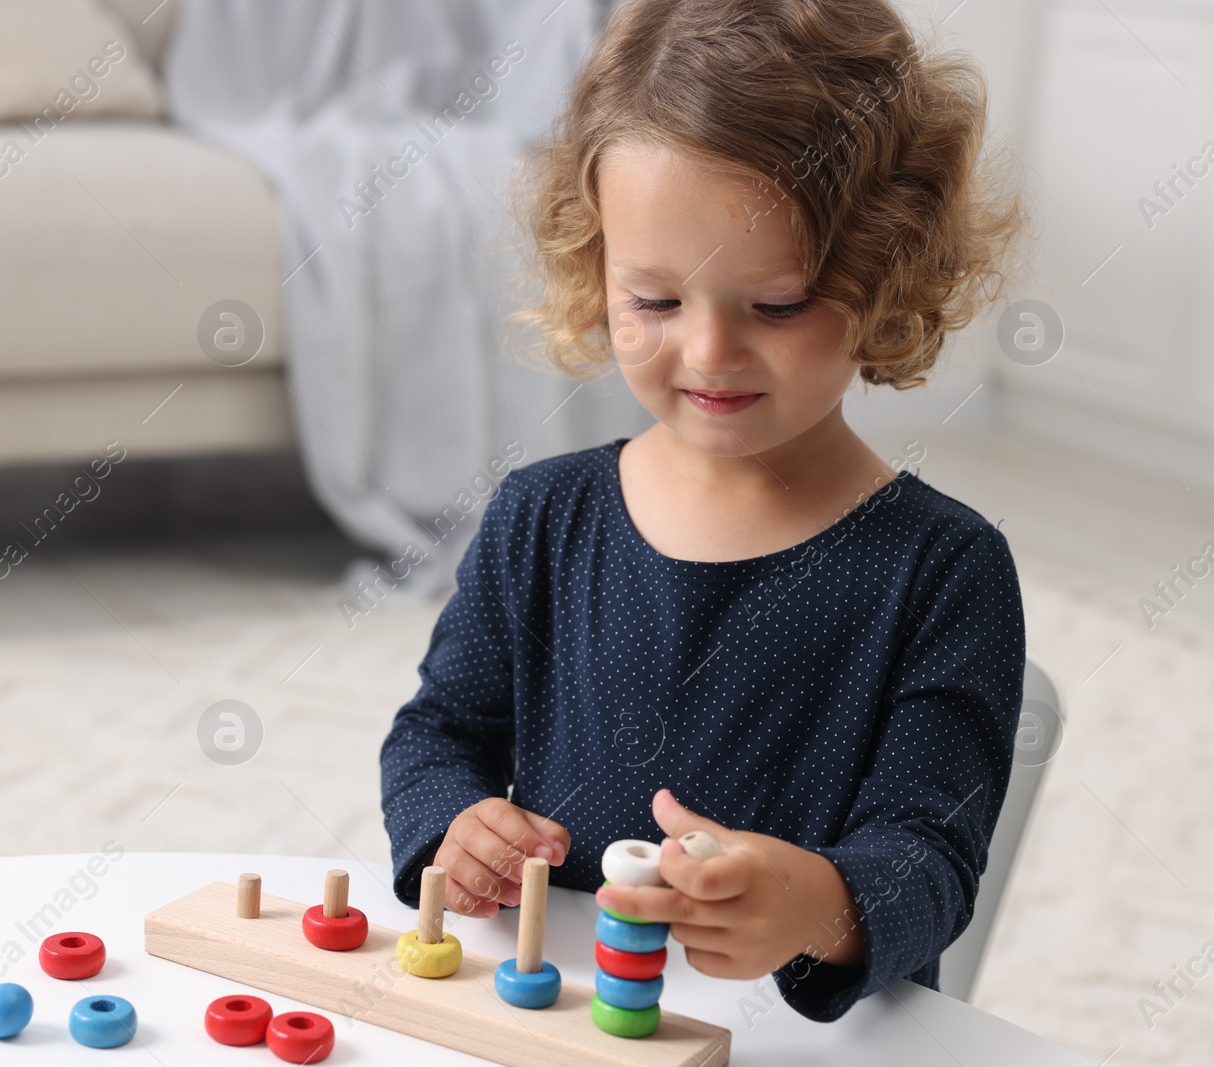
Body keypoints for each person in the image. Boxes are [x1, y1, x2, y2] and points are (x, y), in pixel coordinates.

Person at [377, 0, 1029, 1022]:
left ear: (885, 269)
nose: (710, 353)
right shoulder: (541, 515)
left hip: (799, 1038)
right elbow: (436, 733)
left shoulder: (944, 568)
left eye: (775, 305)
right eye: (654, 300)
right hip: (565, 1018)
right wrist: (452, 824)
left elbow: (930, 857)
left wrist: (813, 902)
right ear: (594, 270)